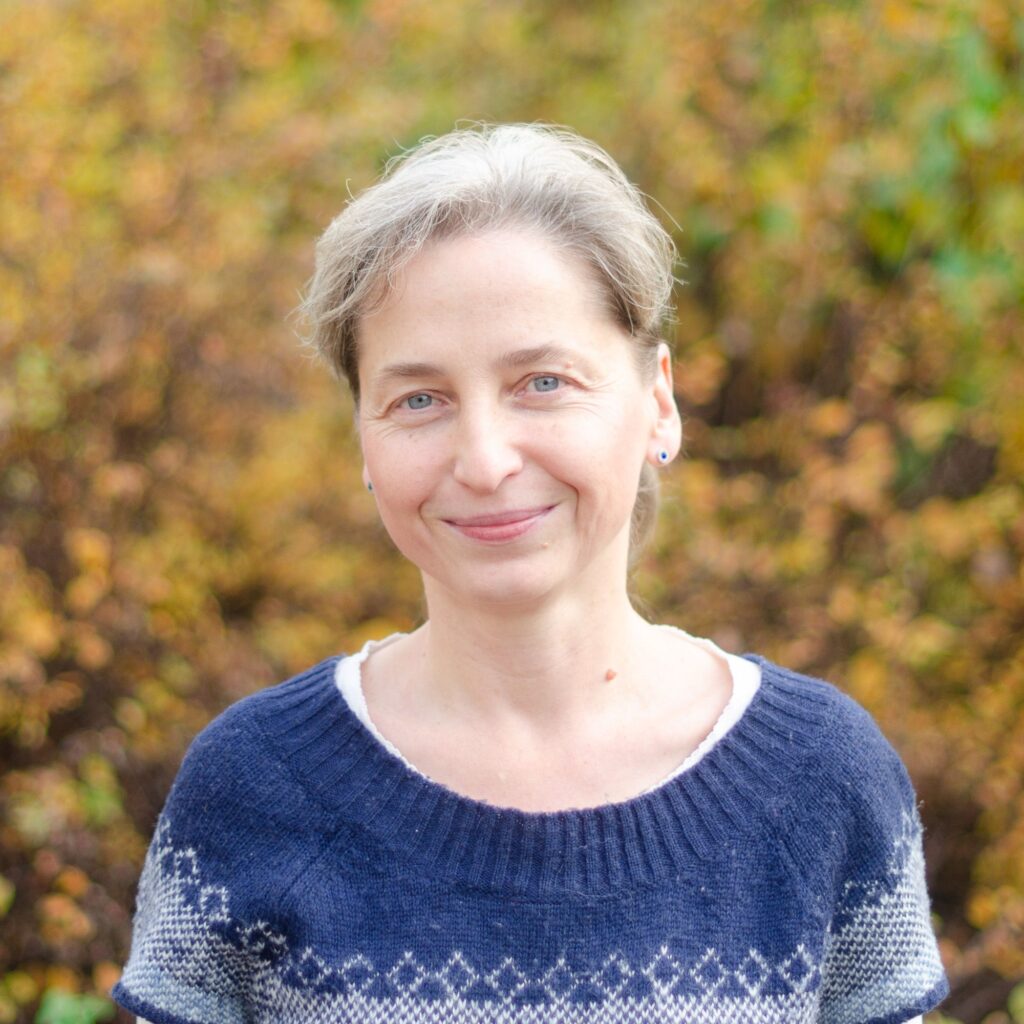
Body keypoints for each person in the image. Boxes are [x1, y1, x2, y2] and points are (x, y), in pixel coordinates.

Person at [112, 123, 949, 1024]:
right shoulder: (253, 788)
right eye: (418, 399)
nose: (484, 460)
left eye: (543, 382)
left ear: (658, 402)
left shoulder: (822, 781)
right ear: (363, 438)